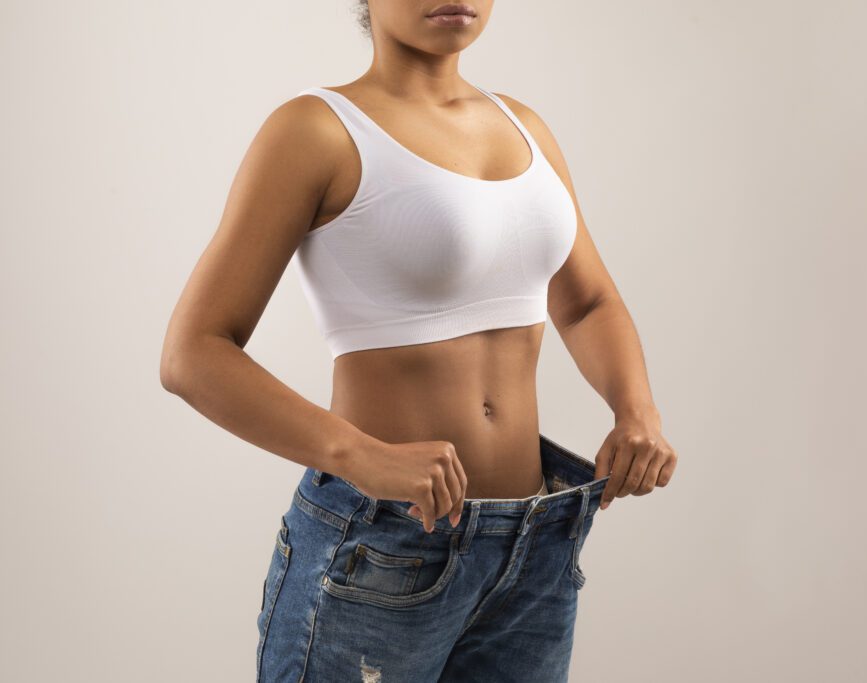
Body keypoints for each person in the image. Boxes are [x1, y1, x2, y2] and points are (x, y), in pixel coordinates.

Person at [159, 1, 678, 680]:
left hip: (536, 547)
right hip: (383, 548)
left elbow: (585, 301)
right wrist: (361, 454)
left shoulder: (526, 128)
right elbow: (193, 352)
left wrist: (636, 409)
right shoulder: (316, 130)